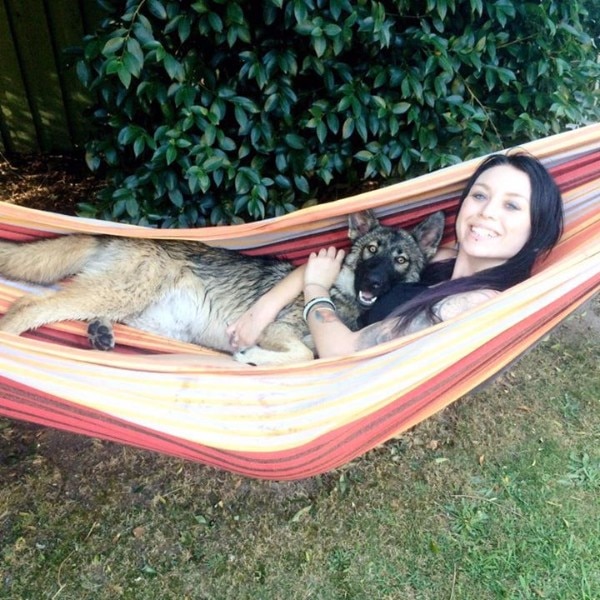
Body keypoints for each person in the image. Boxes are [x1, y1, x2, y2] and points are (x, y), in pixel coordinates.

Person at [227, 152, 563, 358]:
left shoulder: (466, 304)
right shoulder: (440, 257)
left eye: (512, 205)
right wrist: (262, 311)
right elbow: (330, 264)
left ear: (537, 229)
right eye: (479, 195)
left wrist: (316, 290)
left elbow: (341, 351)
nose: (487, 212)